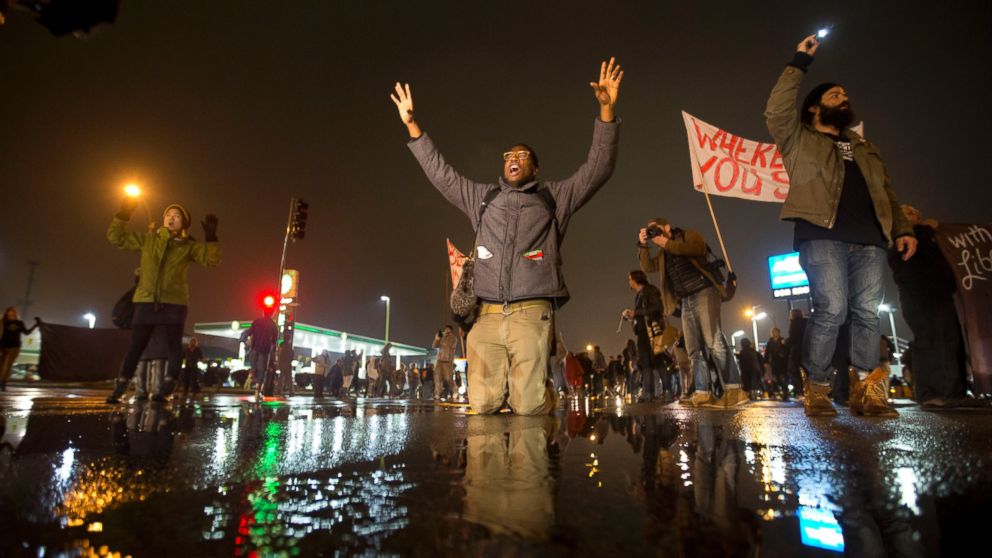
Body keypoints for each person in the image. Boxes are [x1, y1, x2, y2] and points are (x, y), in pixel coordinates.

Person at [390, 57, 623, 415]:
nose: (513, 159)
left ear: (535, 167)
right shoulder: (483, 198)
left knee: (528, 406)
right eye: (508, 155)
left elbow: (597, 169)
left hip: (531, 313)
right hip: (485, 315)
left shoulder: (553, 198)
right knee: (481, 405)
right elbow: (442, 174)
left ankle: (542, 405)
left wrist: (606, 112)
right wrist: (412, 126)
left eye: (522, 155)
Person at [765, 34, 917, 417]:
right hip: (822, 234)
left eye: (845, 94)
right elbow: (777, 111)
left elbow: (886, 192)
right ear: (814, 108)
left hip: (868, 238)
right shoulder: (799, 139)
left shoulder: (864, 147)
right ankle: (817, 389)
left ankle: (869, 392)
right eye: (835, 95)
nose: (843, 97)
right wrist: (799, 61)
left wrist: (902, 227)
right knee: (831, 309)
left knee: (867, 312)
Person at [105, 200, 221, 404]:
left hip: (174, 302)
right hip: (146, 300)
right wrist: (123, 214)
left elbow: (211, 260)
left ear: (183, 223)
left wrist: (211, 238)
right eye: (168, 215)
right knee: (136, 346)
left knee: (173, 346)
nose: (171, 218)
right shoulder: (149, 240)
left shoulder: (188, 247)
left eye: (177, 216)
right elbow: (117, 238)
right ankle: (120, 388)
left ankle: (166, 388)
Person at [638, 219, 745, 408]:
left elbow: (698, 248)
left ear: (667, 227)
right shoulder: (663, 253)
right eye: (650, 230)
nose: (654, 233)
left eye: (656, 228)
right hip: (685, 299)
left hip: (704, 291)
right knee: (694, 348)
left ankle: (735, 389)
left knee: (713, 340)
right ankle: (703, 392)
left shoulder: (688, 235)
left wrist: (668, 244)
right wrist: (643, 245)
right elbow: (647, 267)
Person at [888, 205, 973, 407]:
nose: (917, 215)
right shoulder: (901, 240)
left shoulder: (929, 238)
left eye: (917, 212)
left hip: (941, 295)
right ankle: (932, 393)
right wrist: (928, 229)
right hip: (920, 298)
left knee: (951, 343)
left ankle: (955, 391)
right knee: (930, 343)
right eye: (909, 213)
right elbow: (916, 250)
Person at [622, 270, 668, 403]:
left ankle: (667, 391)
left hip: (652, 332)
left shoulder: (650, 290)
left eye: (630, 279)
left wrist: (636, 312)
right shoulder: (638, 294)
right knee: (646, 363)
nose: (629, 282)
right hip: (642, 332)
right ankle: (648, 393)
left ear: (636, 279)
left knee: (658, 361)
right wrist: (631, 315)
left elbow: (657, 308)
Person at [242, 307, 279, 397]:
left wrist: (246, 342)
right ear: (272, 314)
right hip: (264, 350)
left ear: (263, 313)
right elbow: (275, 341)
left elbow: (249, 332)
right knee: (262, 371)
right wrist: (274, 352)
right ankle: (257, 391)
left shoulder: (257, 321)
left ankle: (251, 374)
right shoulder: (273, 325)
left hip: (254, 349)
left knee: (254, 367)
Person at [1, 308, 40, 391]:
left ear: (15, 314)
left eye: (13, 312)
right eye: (9, 312)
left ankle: (3, 384)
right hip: (3, 346)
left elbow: (27, 332)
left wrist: (35, 325)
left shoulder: (19, 323)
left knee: (8, 366)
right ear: (7, 313)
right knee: (1, 365)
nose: (11, 314)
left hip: (15, 347)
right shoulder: (2, 322)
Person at [432, 326, 458, 401]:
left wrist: (442, 338)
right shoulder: (441, 338)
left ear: (451, 330)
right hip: (439, 360)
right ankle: (437, 393)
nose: (446, 330)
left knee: (448, 378)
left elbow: (449, 345)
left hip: (448, 361)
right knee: (437, 377)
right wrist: (436, 339)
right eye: (445, 329)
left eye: (448, 329)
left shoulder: (453, 338)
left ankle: (455, 390)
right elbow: (434, 346)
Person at [785, 308, 807, 397]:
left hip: (797, 351)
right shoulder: (807, 322)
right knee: (807, 371)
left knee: (793, 371)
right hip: (808, 349)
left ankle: (800, 391)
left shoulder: (794, 323)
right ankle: (809, 389)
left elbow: (793, 337)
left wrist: (786, 342)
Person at [764, 327, 790, 401]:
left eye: (775, 332)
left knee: (783, 378)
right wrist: (765, 362)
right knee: (776, 378)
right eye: (772, 332)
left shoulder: (782, 340)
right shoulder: (770, 342)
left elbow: (787, 350)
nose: (773, 333)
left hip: (782, 362)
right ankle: (779, 392)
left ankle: (785, 393)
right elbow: (767, 353)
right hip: (774, 363)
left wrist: (783, 354)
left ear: (779, 332)